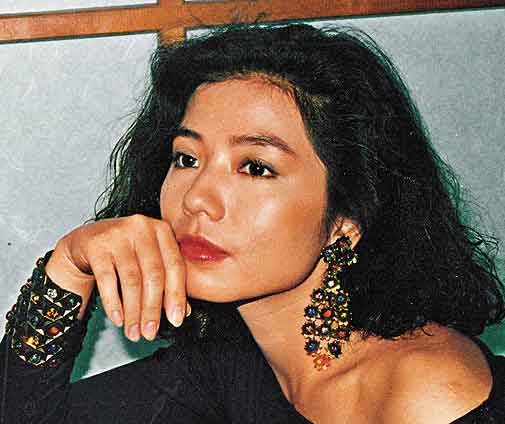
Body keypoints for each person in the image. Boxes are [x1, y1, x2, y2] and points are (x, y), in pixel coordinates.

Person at [1, 23, 504, 423]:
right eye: (186, 158)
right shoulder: (232, 360)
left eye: (256, 168)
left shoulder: (430, 396)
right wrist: (69, 267)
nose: (197, 198)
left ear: (345, 219)